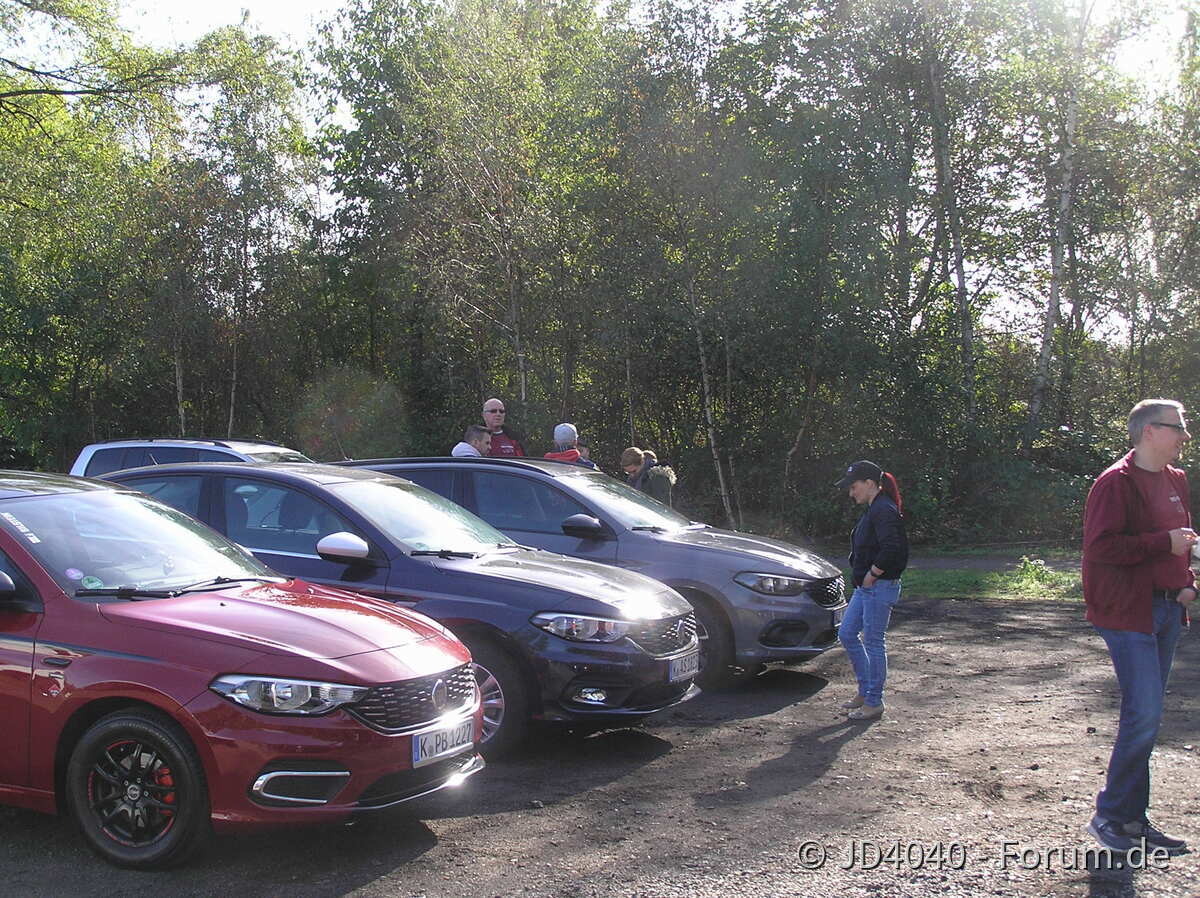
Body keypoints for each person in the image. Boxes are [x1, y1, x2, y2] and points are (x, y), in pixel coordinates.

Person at [1083, 399, 1196, 856]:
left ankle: (1132, 818)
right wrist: (1161, 544)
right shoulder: (1116, 483)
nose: (1184, 437)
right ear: (1149, 431)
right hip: (1129, 612)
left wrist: (1187, 583)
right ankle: (1111, 815)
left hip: (1169, 609)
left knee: (1146, 718)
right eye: (1177, 429)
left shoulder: (1176, 480)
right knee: (1144, 714)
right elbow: (1101, 547)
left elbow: (1181, 539)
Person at [835, 459, 908, 722]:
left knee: (874, 642)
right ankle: (866, 692)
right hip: (867, 588)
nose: (851, 492)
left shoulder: (884, 510)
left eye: (854, 487)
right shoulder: (875, 508)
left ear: (869, 484)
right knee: (847, 633)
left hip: (878, 587)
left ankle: (874, 701)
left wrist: (873, 574)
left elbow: (893, 548)